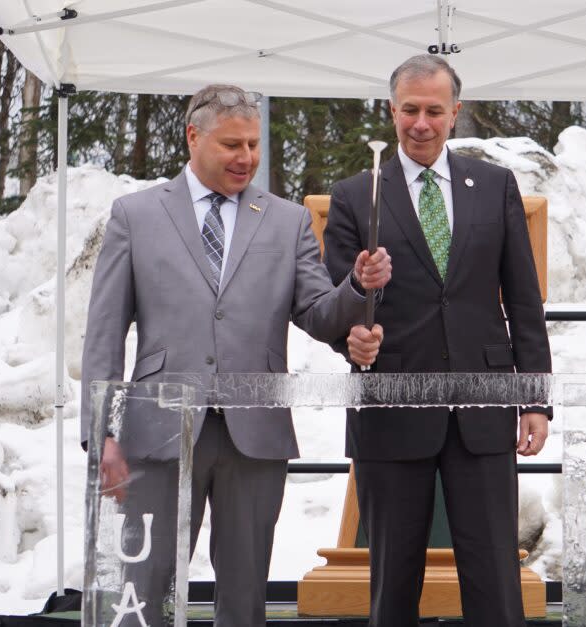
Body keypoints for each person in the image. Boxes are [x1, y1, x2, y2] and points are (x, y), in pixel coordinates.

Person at [80, 83, 391, 626]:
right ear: (193, 136)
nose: (246, 157)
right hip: (157, 434)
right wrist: (100, 433)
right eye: (231, 145)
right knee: (144, 591)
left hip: (256, 435)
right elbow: (104, 332)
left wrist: (357, 287)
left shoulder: (287, 220)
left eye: (253, 144)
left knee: (245, 599)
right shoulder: (134, 215)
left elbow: (318, 313)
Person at [323, 55, 552, 627]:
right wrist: (354, 328)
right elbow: (332, 305)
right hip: (391, 409)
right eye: (408, 110)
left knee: (496, 578)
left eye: (433, 110)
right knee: (393, 583)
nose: (420, 123)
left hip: (484, 406)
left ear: (456, 112)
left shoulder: (495, 186)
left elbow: (522, 299)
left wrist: (535, 398)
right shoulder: (356, 195)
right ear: (392, 111)